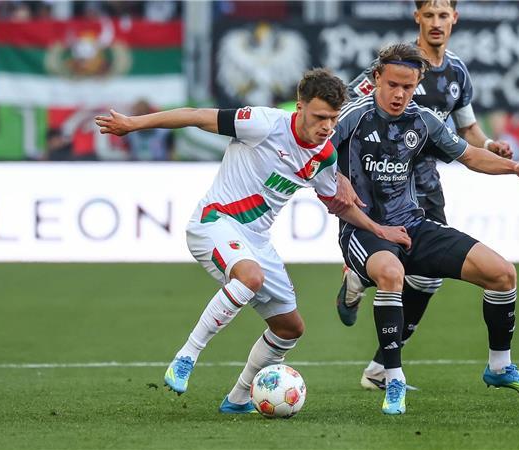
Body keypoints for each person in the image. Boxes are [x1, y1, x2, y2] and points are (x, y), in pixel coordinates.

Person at [95, 68, 411, 413]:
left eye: (333, 119)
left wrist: (379, 230)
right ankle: (186, 356)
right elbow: (196, 115)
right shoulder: (264, 124)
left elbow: (336, 203)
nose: (327, 127)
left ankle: (238, 398)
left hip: (256, 240)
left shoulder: (323, 155)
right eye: (320, 117)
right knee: (250, 277)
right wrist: (133, 124)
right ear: (300, 106)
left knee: (289, 328)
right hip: (215, 221)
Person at [331, 43, 519, 415]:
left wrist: (514, 168)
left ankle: (499, 367)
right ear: (377, 77)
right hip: (363, 229)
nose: (400, 94)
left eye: (408, 87)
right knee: (391, 273)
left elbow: (469, 155)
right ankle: (392, 379)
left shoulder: (424, 120)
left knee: (502, 273)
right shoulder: (354, 115)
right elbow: (313, 151)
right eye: (393, 84)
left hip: (412, 225)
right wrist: (336, 177)